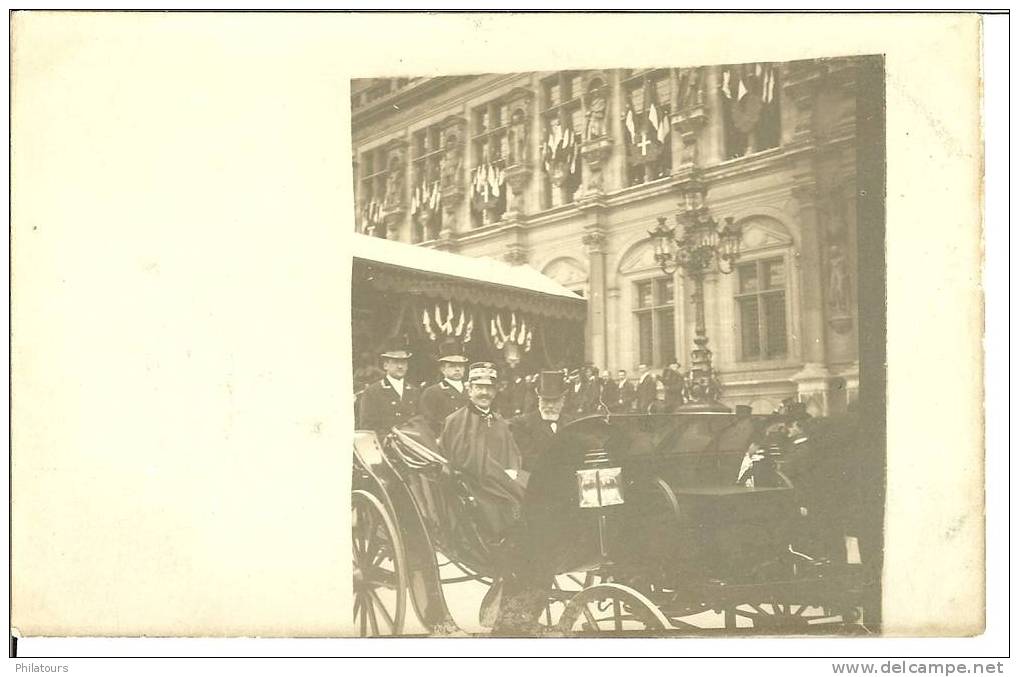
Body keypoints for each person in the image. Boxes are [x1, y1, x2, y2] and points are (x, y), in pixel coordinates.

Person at [439, 362, 526, 540]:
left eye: (489, 388)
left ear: (494, 392)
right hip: (475, 482)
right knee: (509, 501)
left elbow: (512, 451)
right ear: (469, 390)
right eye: (479, 388)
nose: (484, 393)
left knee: (534, 488)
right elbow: (464, 459)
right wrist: (502, 475)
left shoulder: (499, 420)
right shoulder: (456, 421)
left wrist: (513, 471)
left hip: (502, 478)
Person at [509, 371, 570, 474]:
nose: (550, 406)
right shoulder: (523, 424)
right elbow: (528, 459)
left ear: (563, 401)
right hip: (536, 480)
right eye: (546, 401)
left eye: (555, 401)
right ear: (539, 400)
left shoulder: (571, 423)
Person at [357, 342, 420, 437]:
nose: (400, 366)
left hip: (411, 444)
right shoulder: (373, 392)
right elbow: (367, 427)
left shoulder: (414, 391)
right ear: (385, 365)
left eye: (403, 362)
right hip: (385, 446)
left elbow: (420, 422)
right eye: (395, 362)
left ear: (407, 366)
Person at [418, 339, 469, 438]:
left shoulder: (471, 391)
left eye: (460, 366)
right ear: (443, 369)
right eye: (452, 366)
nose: (457, 369)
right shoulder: (432, 392)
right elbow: (427, 422)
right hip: (445, 439)